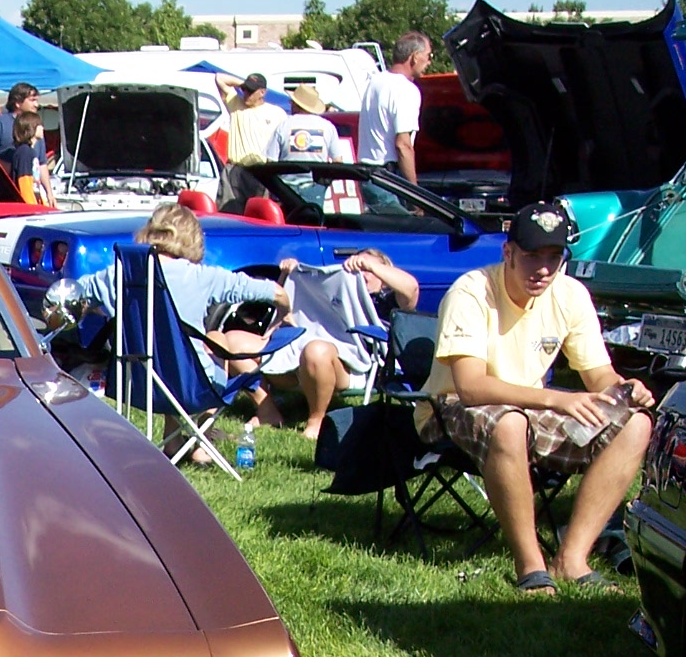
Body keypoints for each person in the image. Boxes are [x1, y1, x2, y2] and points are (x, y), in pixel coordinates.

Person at [419, 200, 655, 590]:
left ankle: (572, 559)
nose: (543, 269)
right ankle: (530, 566)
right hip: (449, 408)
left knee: (636, 425)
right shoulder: (471, 291)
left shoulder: (570, 294)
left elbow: (598, 374)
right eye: (531, 256)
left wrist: (624, 390)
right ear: (508, 253)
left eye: (553, 257)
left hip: (529, 406)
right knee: (510, 423)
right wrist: (559, 400)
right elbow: (471, 387)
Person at [65, 202, 290, 387]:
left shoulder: (118, 273)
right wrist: (284, 314)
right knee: (216, 338)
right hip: (190, 387)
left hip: (136, 383)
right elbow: (276, 293)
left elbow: (70, 295)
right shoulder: (204, 277)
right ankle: (205, 425)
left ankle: (173, 432)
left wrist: (99, 309)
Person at [257, 250, 419, 438]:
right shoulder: (331, 294)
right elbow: (279, 302)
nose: (360, 273)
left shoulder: (387, 300)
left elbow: (412, 289)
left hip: (355, 367)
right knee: (235, 342)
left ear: (383, 280)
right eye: (356, 266)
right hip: (299, 359)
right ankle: (266, 410)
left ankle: (317, 421)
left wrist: (371, 265)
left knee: (316, 350)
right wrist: (288, 275)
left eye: (366, 270)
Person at [360, 32, 431, 183]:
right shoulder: (406, 89)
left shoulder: (374, 82)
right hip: (389, 176)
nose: (429, 62)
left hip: (367, 175)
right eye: (428, 55)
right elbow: (402, 145)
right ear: (415, 57)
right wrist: (413, 191)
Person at [215, 73, 286, 207]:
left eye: (251, 91)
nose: (246, 94)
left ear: (262, 92)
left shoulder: (277, 113)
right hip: (235, 169)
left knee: (258, 212)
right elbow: (220, 78)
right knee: (228, 212)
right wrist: (244, 84)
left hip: (262, 172)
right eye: (245, 90)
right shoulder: (235, 104)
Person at [266, 84, 343, 164]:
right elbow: (337, 160)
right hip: (317, 172)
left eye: (291, 102)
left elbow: (271, 160)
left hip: (287, 172)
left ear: (295, 104)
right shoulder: (328, 127)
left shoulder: (283, 126)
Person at [6, 109, 44, 204]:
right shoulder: (25, 152)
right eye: (39, 125)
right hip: (29, 207)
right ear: (31, 127)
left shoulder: (29, 151)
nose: (42, 128)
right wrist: (32, 208)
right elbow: (25, 182)